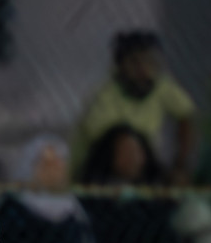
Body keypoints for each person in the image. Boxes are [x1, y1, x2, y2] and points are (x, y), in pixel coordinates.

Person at [70, 30, 197, 182]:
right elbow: (121, 156)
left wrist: (181, 164)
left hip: (141, 172)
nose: (144, 70)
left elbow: (187, 115)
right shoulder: (104, 96)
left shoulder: (159, 86)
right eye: (135, 62)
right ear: (120, 66)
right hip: (99, 175)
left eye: (151, 62)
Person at [79, 123, 175, 243]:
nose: (133, 158)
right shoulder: (94, 197)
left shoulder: (156, 197)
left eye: (137, 151)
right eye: (125, 152)